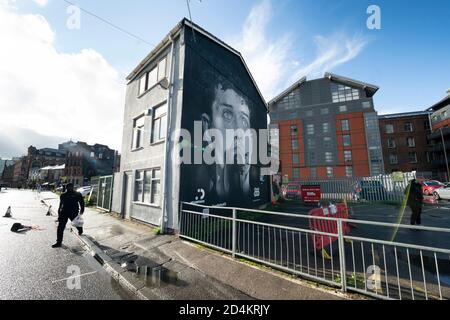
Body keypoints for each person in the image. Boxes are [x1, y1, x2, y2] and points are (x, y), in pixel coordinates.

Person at [52, 183, 84, 248]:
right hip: (64, 212)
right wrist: (59, 212)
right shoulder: (63, 195)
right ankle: (58, 242)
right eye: (68, 187)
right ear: (66, 188)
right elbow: (61, 204)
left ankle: (80, 230)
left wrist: (82, 210)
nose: (69, 188)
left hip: (73, 212)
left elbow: (82, 202)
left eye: (71, 187)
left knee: (77, 224)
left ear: (73, 187)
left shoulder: (77, 194)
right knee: (60, 228)